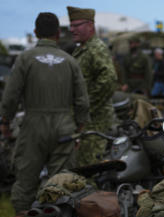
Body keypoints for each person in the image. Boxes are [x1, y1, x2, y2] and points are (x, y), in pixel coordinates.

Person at [0, 12, 89, 217]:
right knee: (62, 179)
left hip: (33, 126)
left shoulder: (24, 59)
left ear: (35, 32)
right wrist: (80, 128)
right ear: (58, 34)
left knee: (26, 179)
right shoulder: (70, 61)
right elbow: (82, 101)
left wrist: (5, 120)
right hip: (64, 127)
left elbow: (11, 95)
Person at [67, 6, 117, 166]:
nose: (72, 29)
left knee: (90, 167)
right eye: (71, 25)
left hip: (95, 121)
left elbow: (108, 80)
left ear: (90, 26)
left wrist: (87, 107)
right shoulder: (81, 49)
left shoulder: (96, 48)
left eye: (76, 25)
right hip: (84, 120)